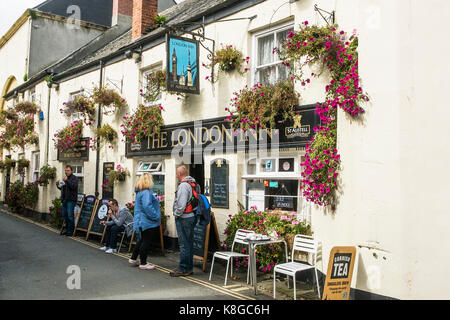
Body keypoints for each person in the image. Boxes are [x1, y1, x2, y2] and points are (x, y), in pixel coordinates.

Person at [170, 165, 200, 277]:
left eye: (177, 174)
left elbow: (181, 205)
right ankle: (188, 268)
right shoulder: (193, 184)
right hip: (191, 216)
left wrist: (176, 214)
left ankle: (183, 268)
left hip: (184, 218)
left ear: (179, 174)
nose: (176, 176)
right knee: (189, 243)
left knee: (184, 244)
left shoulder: (183, 186)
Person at [129, 173, 161, 270]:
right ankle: (143, 263)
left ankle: (133, 258)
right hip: (147, 221)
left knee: (142, 240)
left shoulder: (140, 192)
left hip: (141, 220)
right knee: (146, 241)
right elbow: (147, 206)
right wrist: (156, 216)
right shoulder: (147, 192)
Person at [56, 165, 78, 236]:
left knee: (70, 216)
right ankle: (67, 229)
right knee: (65, 215)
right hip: (64, 200)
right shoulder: (65, 178)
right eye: (65, 170)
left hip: (71, 200)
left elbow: (73, 186)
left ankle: (71, 231)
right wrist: (57, 185)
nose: (66, 172)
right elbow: (63, 188)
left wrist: (67, 181)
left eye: (68, 170)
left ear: (71, 171)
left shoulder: (74, 178)